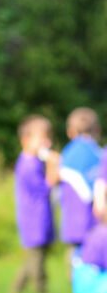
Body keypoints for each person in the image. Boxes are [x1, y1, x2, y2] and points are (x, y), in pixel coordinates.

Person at [12, 115, 59, 293]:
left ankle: (16, 291)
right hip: (33, 219)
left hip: (41, 217)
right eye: (42, 139)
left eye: (49, 138)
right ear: (26, 140)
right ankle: (41, 292)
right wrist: (53, 166)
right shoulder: (28, 165)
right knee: (36, 259)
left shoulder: (35, 161)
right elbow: (46, 187)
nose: (47, 143)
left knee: (33, 258)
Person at [56, 107, 101, 250]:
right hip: (93, 216)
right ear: (97, 130)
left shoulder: (68, 152)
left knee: (75, 256)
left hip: (71, 216)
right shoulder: (96, 152)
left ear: (70, 131)